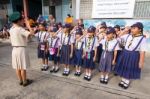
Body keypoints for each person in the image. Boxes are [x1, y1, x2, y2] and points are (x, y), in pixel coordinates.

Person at [114, 22, 147, 89]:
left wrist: (141, 62)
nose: (132, 30)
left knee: (130, 68)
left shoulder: (142, 39)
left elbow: (142, 51)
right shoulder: (128, 35)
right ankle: (123, 80)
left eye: (134, 28)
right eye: (131, 28)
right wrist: (125, 30)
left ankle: (127, 82)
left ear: (140, 29)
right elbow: (119, 36)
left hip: (133, 55)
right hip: (125, 53)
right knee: (124, 67)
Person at [9, 12, 34, 87]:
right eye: (22, 20)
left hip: (14, 50)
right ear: (18, 21)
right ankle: (25, 81)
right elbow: (31, 33)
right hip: (21, 49)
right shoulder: (20, 29)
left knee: (17, 67)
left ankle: (20, 80)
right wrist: (28, 25)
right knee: (23, 67)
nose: (23, 21)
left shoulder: (11, 29)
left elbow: (27, 37)